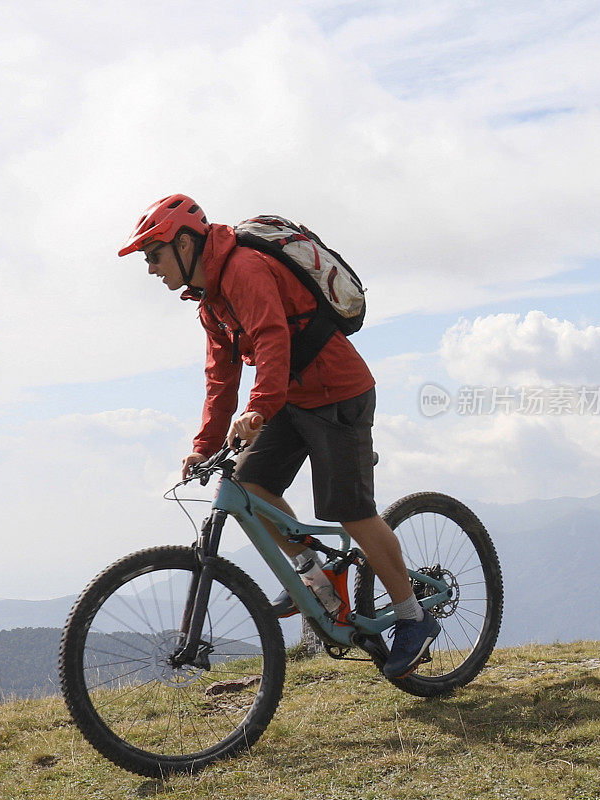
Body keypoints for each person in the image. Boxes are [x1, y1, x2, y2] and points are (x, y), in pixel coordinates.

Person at [118, 193, 440, 679]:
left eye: (153, 255)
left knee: (351, 511)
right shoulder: (210, 302)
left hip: (337, 391)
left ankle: (414, 617)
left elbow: (273, 338)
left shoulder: (244, 269)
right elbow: (220, 379)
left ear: (185, 244)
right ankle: (318, 577)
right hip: (289, 397)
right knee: (249, 487)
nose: (150, 268)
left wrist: (258, 410)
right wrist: (203, 446)